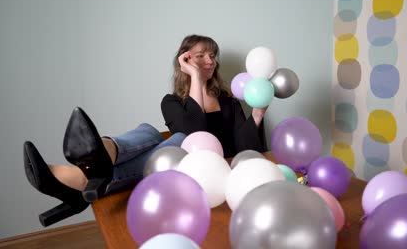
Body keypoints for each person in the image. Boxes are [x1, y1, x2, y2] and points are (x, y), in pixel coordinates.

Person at [23, 34, 268, 227]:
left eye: (212, 55)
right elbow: (195, 129)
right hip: (179, 164)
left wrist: (257, 114)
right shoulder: (171, 102)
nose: (210, 61)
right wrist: (196, 79)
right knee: (148, 131)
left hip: (210, 169)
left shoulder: (230, 101)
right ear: (184, 61)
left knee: (180, 138)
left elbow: (232, 145)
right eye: (201, 56)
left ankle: (76, 175)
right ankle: (101, 153)